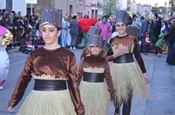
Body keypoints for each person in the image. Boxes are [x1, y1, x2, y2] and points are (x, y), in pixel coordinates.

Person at [8, 8, 84, 115]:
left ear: (59, 32)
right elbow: (24, 77)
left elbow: (73, 83)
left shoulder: (68, 56)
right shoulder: (34, 55)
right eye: (44, 30)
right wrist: (14, 100)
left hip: (61, 102)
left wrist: (78, 108)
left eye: (51, 30)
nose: (47, 34)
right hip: (36, 101)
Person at [107, 11, 150, 115]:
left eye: (122, 25)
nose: (120, 27)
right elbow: (106, 58)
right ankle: (117, 110)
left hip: (130, 70)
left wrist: (144, 73)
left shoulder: (132, 39)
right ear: (115, 26)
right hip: (116, 70)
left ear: (126, 26)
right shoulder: (112, 40)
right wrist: (115, 55)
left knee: (127, 98)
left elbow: (138, 57)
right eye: (118, 25)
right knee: (116, 96)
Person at [78, 33, 115, 115]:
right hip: (85, 89)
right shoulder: (84, 60)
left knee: (98, 110)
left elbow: (108, 77)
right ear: (89, 48)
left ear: (101, 49)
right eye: (92, 47)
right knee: (86, 109)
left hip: (100, 90)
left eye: (97, 47)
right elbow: (79, 76)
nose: (94, 49)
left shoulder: (104, 61)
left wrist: (112, 92)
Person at [0, 26, 13, 90]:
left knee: (2, 66)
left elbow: (9, 37)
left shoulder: (2, 29)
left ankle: (1, 81)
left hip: (1, 51)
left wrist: (2, 43)